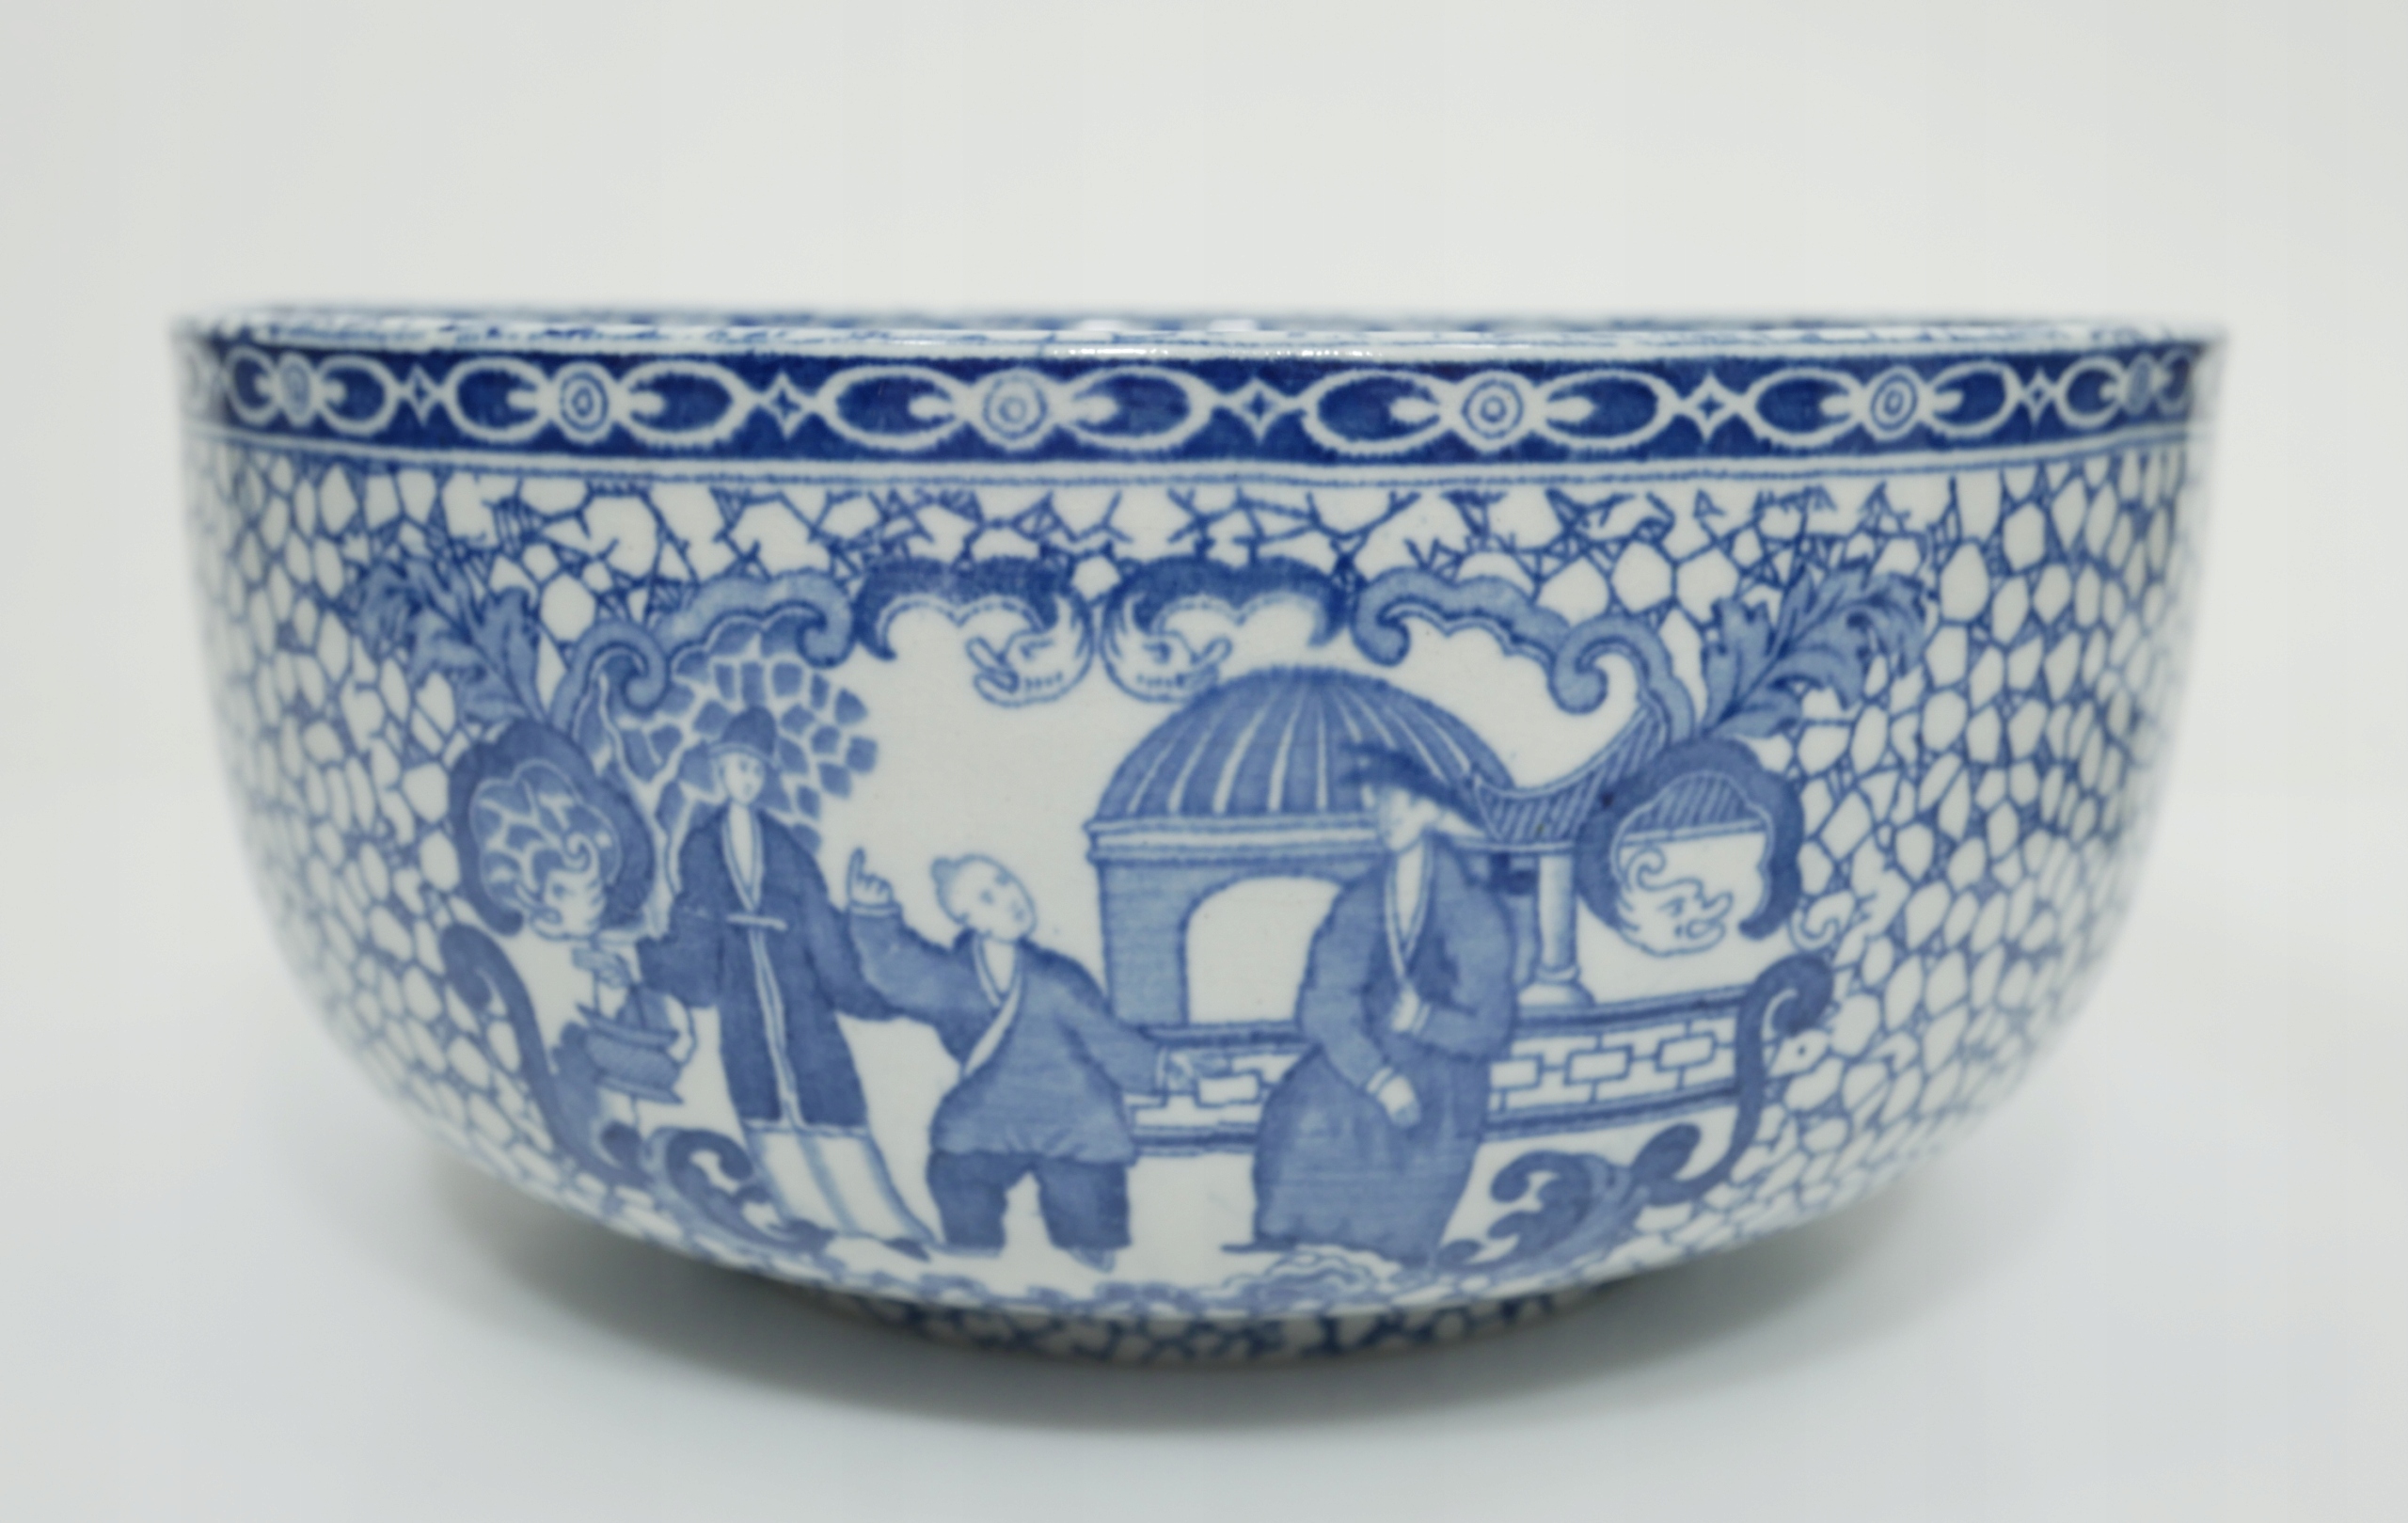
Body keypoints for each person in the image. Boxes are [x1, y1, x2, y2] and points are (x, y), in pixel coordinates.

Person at [635, 707, 923, 1242]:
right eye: (736, 767)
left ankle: (875, 1220)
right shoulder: (702, 846)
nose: (744, 779)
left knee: (827, 1092)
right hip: (743, 993)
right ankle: (801, 1213)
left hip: (800, 995)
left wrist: (873, 984)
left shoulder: (788, 849)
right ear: (720, 771)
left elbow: (822, 929)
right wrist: (650, 959)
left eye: (753, 769)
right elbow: (694, 923)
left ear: (764, 776)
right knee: (759, 1097)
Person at [847, 849, 1188, 1272]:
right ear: (968, 919)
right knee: (956, 1172)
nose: (1008, 899)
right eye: (987, 898)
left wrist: (1161, 1069)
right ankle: (975, 1258)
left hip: (1074, 1119)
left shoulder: (1059, 977)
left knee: (1088, 1208)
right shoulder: (955, 978)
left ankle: (1091, 1259)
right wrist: (873, 915)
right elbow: (900, 973)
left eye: (1005, 882)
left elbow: (1107, 1039)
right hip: (991, 1117)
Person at [1246, 746, 1518, 1266]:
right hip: (1367, 1051)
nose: (1386, 814)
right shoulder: (1362, 900)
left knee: (1413, 1134)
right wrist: (1377, 1077)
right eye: (1376, 802)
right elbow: (1325, 998)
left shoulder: (1471, 905)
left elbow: (1491, 1024)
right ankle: (1291, 1249)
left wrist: (1425, 1020)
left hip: (1445, 1061)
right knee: (1301, 1108)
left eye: (1403, 802)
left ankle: (1393, 1255)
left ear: (1431, 810)